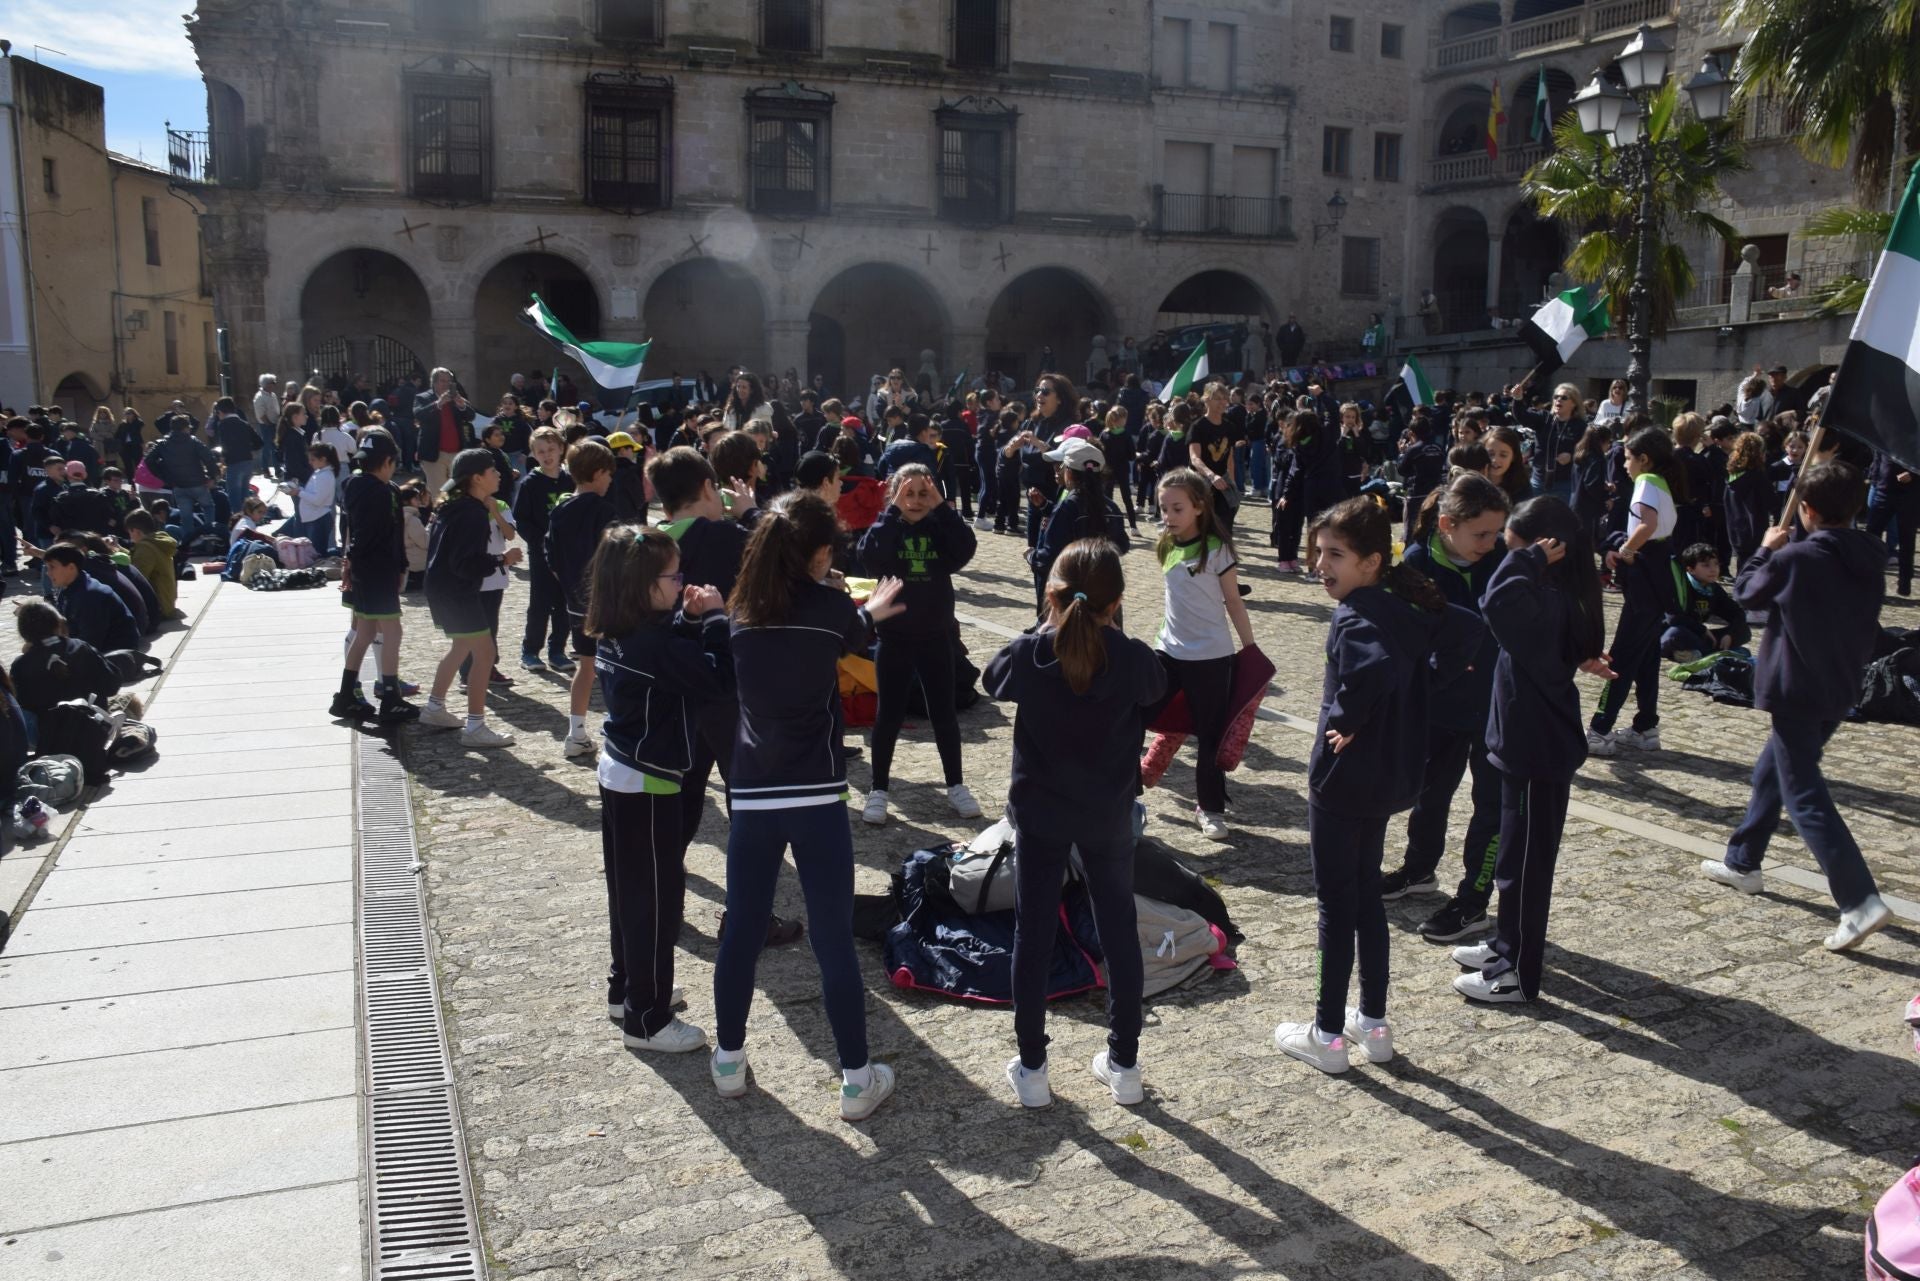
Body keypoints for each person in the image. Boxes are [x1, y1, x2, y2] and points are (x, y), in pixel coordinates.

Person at [709, 493, 907, 1121]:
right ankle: (855, 1079)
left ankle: (729, 1060)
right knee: (831, 939)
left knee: (741, 928)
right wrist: (869, 609)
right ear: (820, 553)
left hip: (753, 789)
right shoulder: (828, 609)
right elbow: (858, 629)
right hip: (817, 793)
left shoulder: (739, 611)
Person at [1275, 497, 1480, 1073]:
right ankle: (1374, 1023)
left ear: (1370, 562)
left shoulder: (1357, 613)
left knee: (1335, 908)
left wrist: (1349, 719)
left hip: (1343, 782)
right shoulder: (1404, 604)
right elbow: (1468, 630)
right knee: (1365, 897)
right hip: (1390, 776)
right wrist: (1421, 698)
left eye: (1335, 555)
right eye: (1318, 552)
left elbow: (1368, 671)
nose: (1321, 565)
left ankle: (1328, 1035)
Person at [985, 539, 1165, 1108]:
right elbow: (1157, 693)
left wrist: (1045, 625)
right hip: (1107, 810)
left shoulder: (1031, 653)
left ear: (1052, 596)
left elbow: (991, 680)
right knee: (1119, 930)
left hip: (1041, 812)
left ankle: (1033, 1068)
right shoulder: (1133, 657)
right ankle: (1125, 1063)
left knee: (1032, 934)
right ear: (1117, 603)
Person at [1698, 462, 1893, 949]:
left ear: (1805, 509)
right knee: (1776, 769)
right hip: (1841, 686)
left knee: (1804, 791)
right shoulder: (1872, 554)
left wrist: (1765, 548)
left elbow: (1745, 594)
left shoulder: (1798, 557)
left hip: (1796, 687)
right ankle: (1743, 859)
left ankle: (1858, 899)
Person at [1453, 496, 1607, 1003]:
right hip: (1523, 747)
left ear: (1551, 551)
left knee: (1524, 869)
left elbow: (1496, 602)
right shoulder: (1548, 596)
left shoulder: (1542, 598)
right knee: (1512, 864)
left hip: (1538, 753)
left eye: (1517, 549)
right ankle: (1506, 943)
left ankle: (1520, 973)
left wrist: (1528, 559)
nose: (1507, 557)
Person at [587, 525, 734, 1052]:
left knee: (627, 892)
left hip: (622, 769)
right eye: (674, 577)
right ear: (645, 584)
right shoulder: (652, 642)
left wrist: (687, 620)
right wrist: (715, 620)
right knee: (655, 900)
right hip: (649, 783)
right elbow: (717, 679)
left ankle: (626, 989)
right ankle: (646, 1020)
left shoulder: (623, 626)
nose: (682, 584)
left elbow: (675, 658)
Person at [1381, 474, 1512, 944]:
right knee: (1429, 792)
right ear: (1446, 525)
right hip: (1440, 704)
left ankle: (1474, 901)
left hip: (1497, 707)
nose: (1491, 542)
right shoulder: (1415, 563)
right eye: (1481, 533)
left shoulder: (1503, 561)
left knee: (1490, 806)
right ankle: (1418, 871)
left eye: (1497, 532)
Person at [854, 460, 981, 824]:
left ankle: (955, 785)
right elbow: (870, 556)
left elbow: (965, 549)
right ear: (894, 495)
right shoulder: (887, 527)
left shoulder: (939, 527)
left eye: (922, 493)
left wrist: (942, 508)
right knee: (889, 714)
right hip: (895, 638)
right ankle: (879, 788)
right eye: (907, 493)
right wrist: (891, 512)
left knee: (944, 713)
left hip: (936, 637)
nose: (915, 500)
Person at [1146, 468, 1257, 839]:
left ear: (1197, 507)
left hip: (1212, 657)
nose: (1169, 516)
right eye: (1164, 508)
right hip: (1168, 652)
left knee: (1210, 736)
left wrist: (1250, 647)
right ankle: (1124, 788)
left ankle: (1210, 809)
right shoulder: (1164, 543)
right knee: (1133, 713)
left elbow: (1233, 603)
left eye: (1177, 508)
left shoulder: (1217, 549)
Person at [1587, 426, 1688, 756]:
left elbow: (1645, 525)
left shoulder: (1645, 482)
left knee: (1623, 655)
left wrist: (1624, 552)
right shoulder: (1660, 482)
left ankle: (1600, 730)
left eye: (1628, 458)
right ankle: (1646, 726)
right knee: (1644, 657)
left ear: (1644, 459)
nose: (1625, 464)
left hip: (1646, 576)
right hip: (1657, 576)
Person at [419, 449, 520, 749]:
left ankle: (434, 708)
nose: (499, 474)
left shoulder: (455, 505)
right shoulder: (473, 513)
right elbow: (465, 563)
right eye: (493, 470)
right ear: (477, 478)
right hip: (457, 592)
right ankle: (475, 726)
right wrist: (503, 558)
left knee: (461, 647)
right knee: (485, 655)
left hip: (443, 589)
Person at [542, 439, 621, 759]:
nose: (611, 480)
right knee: (616, 667)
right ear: (598, 472)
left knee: (586, 666)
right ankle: (622, 733)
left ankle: (575, 734)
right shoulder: (606, 511)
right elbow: (618, 558)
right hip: (610, 604)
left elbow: (552, 558)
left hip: (576, 603)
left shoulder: (559, 510)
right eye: (609, 474)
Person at [334, 442, 419, 725]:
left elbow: (352, 530)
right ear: (387, 463)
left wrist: (350, 561)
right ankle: (391, 696)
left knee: (365, 632)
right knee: (392, 632)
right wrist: (399, 565)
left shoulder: (354, 486)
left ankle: (346, 694)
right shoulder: (381, 492)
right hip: (377, 568)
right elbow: (382, 533)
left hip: (364, 568)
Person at [1031, 437, 1129, 608]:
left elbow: (1051, 554)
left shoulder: (1069, 505)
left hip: (1071, 592)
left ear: (1068, 472)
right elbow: (1122, 545)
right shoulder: (1111, 507)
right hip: (1102, 592)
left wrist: (1032, 556)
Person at [513, 427, 576, 670]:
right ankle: (530, 650)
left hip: (568, 555)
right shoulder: (530, 483)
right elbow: (522, 519)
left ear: (561, 449)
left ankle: (557, 649)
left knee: (564, 604)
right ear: (534, 454)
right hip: (542, 555)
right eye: (541, 451)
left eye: (551, 449)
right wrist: (539, 542)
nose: (547, 455)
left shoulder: (570, 480)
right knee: (540, 603)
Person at [42, 541, 140, 654]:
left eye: (52, 567)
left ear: (71, 567)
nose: (48, 573)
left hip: (116, 657)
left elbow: (90, 644)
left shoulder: (89, 596)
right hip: (97, 650)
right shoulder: (70, 588)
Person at [1660, 544, 1750, 659]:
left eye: (1716, 564)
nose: (1713, 569)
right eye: (1706, 565)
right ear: (1690, 569)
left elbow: (1737, 613)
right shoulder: (1679, 586)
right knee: (1675, 633)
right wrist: (1702, 630)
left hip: (1697, 636)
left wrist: (1730, 635)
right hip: (1669, 634)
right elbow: (1673, 618)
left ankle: (1700, 654)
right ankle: (1711, 655)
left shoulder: (1713, 589)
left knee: (1744, 631)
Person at [148, 409, 219, 545]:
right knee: (208, 507)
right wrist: (212, 476)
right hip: (197, 482)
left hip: (178, 485)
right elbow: (208, 458)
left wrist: (164, 477)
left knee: (186, 517)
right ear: (186, 428)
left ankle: (190, 543)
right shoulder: (193, 441)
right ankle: (211, 536)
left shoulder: (163, 443)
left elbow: (149, 460)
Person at [1512, 381, 1583, 502]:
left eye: (1564, 398)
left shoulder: (1581, 426)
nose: (1558, 400)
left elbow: (1586, 452)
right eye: (1556, 397)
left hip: (1564, 484)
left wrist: (1571, 456)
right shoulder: (1544, 418)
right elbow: (1522, 416)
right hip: (1538, 482)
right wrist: (1518, 399)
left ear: (1574, 403)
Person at [1866, 449, 1919, 598]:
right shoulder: (1888, 429)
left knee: (1907, 538)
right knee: (1871, 535)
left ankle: (1905, 582)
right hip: (1884, 489)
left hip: (1910, 493)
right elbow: (1878, 454)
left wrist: (1913, 473)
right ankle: (1867, 578)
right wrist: (1874, 479)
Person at [414, 367, 475, 494]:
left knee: (457, 492)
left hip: (456, 453)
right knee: (438, 494)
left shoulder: (456, 398)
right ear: (434, 383)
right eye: (443, 381)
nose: (446, 384)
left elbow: (471, 416)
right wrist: (438, 404)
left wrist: (462, 406)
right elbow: (419, 414)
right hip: (434, 454)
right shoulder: (422, 398)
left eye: (449, 381)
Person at [121, 508, 179, 620]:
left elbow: (137, 578)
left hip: (159, 607)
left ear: (137, 531)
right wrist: (118, 550)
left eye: (130, 532)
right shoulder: (156, 541)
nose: (130, 537)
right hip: (167, 603)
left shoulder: (145, 548)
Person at [210, 396, 257, 510]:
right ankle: (247, 521)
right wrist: (247, 448)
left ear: (220, 412)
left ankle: (237, 523)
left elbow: (224, 444)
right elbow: (259, 442)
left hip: (234, 463)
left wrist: (224, 458)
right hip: (248, 461)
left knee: (234, 498)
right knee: (245, 496)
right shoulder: (244, 423)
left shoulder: (223, 425)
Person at [606, 431, 647, 523]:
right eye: (631, 449)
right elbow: (640, 501)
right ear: (622, 450)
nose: (633, 453)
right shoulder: (629, 472)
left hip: (608, 522)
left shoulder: (603, 471)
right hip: (628, 521)